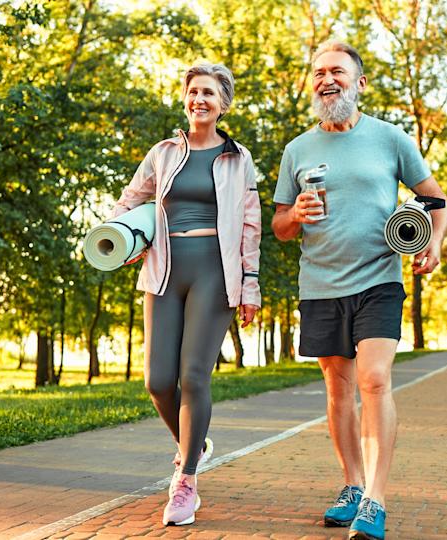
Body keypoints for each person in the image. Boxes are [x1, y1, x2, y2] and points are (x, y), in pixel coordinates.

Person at [271, 40, 447, 540]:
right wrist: (294, 216)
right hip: (321, 284)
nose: (326, 79)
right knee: (338, 390)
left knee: (373, 380)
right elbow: (280, 225)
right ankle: (351, 485)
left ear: (360, 82)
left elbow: (436, 201)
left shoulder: (390, 139)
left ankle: (376, 497)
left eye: (337, 71)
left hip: (379, 280)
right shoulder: (297, 150)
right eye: (318, 72)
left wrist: (432, 244)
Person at [111, 63, 261, 527]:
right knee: (157, 381)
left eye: (209, 93)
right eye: (194, 91)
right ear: (185, 99)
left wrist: (251, 284)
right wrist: (122, 235)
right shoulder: (162, 153)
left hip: (215, 273)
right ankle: (193, 443)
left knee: (194, 377)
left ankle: (186, 481)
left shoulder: (239, 158)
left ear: (223, 104)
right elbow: (129, 200)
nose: (200, 99)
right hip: (164, 271)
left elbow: (252, 224)